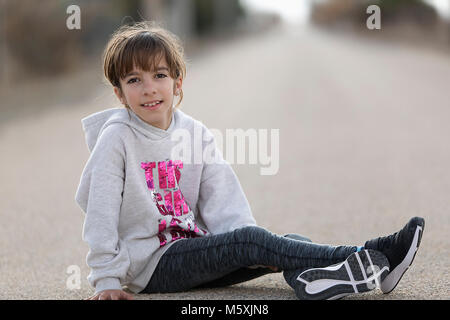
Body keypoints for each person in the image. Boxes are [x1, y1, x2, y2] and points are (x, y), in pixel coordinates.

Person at [75, 21, 425, 300]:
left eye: (159, 75)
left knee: (287, 240)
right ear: (119, 93)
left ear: (178, 82)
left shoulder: (195, 133)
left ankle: (314, 284)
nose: (149, 88)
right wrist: (106, 279)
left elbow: (223, 200)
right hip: (147, 266)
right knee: (257, 242)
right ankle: (377, 253)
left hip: (192, 249)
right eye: (134, 80)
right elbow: (100, 212)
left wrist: (248, 247)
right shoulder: (117, 138)